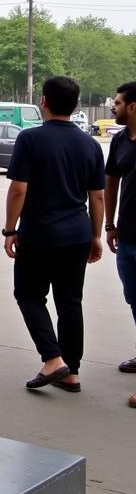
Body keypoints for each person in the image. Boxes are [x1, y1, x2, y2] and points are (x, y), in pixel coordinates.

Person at [3, 76, 104, 393]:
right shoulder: (90, 144)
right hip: (77, 234)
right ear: (76, 106)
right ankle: (71, 373)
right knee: (70, 302)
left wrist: (9, 229)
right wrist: (96, 236)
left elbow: (19, 188)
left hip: (40, 234)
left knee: (29, 296)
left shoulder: (30, 139)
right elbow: (97, 196)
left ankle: (52, 359)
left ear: (43, 101)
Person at [103, 81, 136, 409]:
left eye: (118, 102)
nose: (113, 107)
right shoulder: (120, 141)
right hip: (127, 236)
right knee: (135, 300)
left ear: (134, 106)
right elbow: (110, 181)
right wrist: (109, 224)